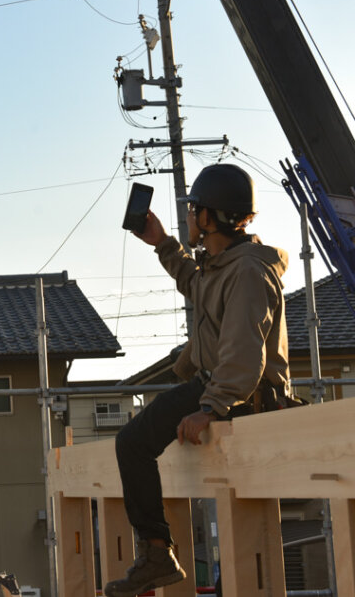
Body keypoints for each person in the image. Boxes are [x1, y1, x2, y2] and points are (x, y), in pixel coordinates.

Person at [103, 164, 291, 597]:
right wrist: (162, 243)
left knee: (135, 445)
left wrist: (210, 408)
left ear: (208, 217)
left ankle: (158, 555)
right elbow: (196, 284)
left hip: (244, 395)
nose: (187, 216)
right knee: (133, 442)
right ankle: (158, 554)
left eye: (192, 210)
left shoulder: (247, 271)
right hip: (218, 385)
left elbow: (245, 353)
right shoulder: (224, 264)